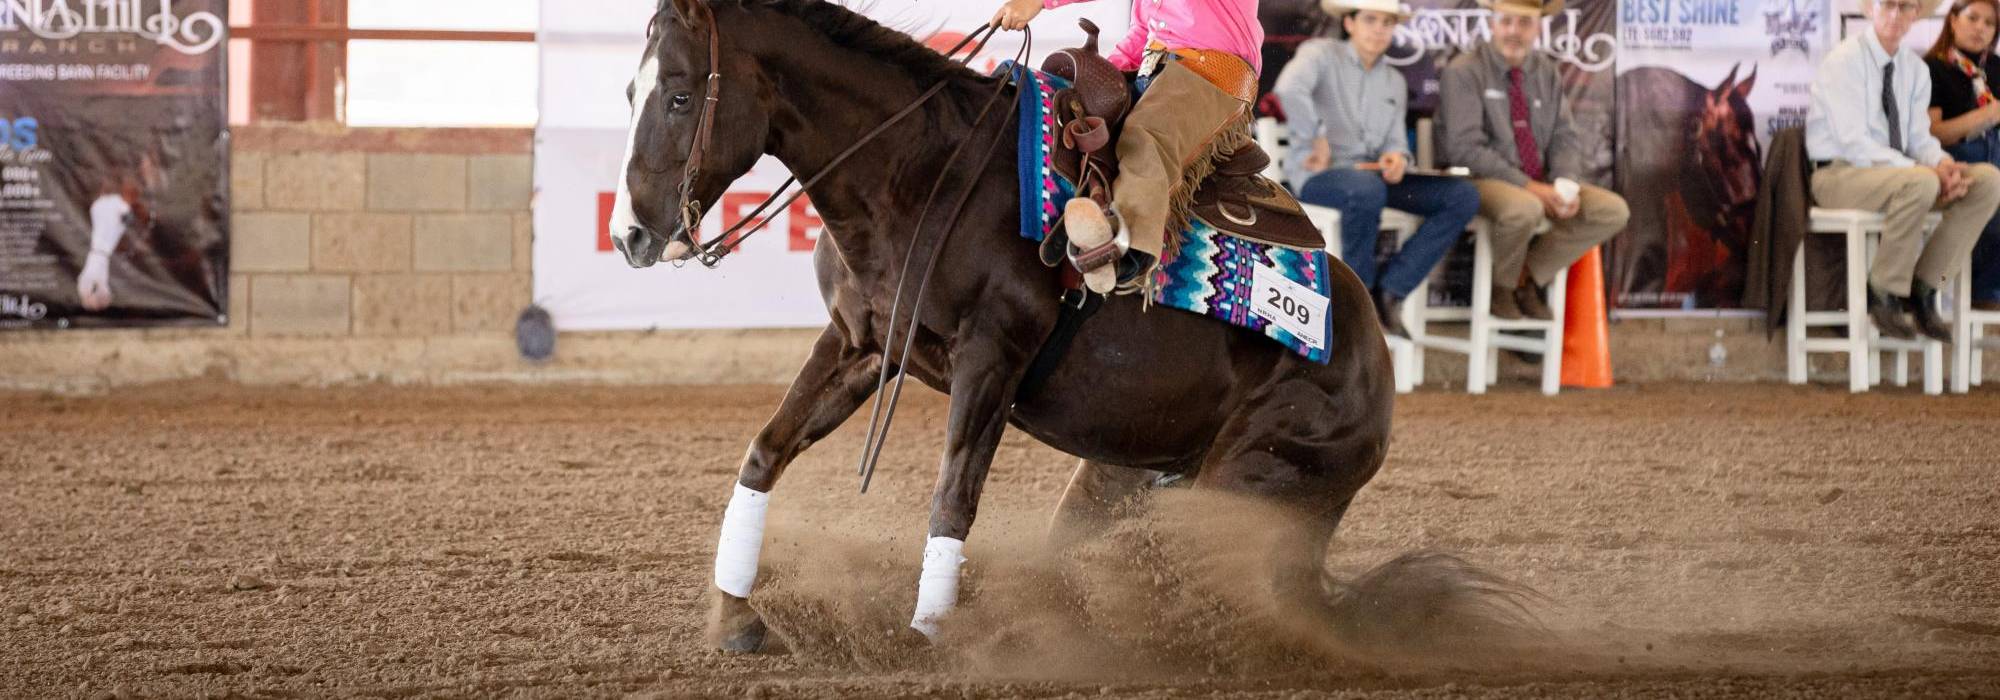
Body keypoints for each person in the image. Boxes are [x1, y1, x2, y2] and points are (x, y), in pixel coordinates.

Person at [992, 0, 1263, 295]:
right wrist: (1103, 76)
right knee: (1080, 118)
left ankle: (1127, 254)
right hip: (1160, 68)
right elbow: (1143, 35)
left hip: (1212, 73)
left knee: (1147, 137)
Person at [1273, 0, 1478, 338]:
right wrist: (1317, 135)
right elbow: (1288, 88)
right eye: (1370, 20)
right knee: (1366, 189)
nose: (1379, 29)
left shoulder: (1394, 80)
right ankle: (1358, 300)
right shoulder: (1320, 53)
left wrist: (1397, 157)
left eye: (1387, 22)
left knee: (1462, 196)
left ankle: (1391, 289)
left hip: (1373, 180)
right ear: (1350, 23)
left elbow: (1395, 141)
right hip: (1320, 177)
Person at [1808, 0, 2000, 341]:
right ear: (1870, 9)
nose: (1896, 15)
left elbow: (1918, 138)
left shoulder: (1914, 69)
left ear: (1916, 15)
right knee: (1921, 182)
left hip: (1900, 178)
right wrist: (1925, 171)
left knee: (1987, 181)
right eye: (1888, 5)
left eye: (1906, 6)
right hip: (1840, 175)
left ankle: (1926, 289)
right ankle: (1883, 292)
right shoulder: (1844, 61)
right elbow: (1854, 142)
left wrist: (1942, 163)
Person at [1435, 0, 1628, 320]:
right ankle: (1502, 288)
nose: (1514, 31)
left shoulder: (1545, 71)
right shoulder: (1464, 71)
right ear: (1493, 23)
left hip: (1540, 180)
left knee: (1612, 211)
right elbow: (1465, 149)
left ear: (1539, 27)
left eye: (1524, 23)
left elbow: (1564, 135)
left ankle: (1527, 277)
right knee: (1525, 207)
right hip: (1481, 180)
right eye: (1507, 21)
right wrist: (1532, 188)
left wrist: (1564, 185)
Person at [1926, 0, 2000, 312]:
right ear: (1953, 20)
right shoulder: (1933, 67)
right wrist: (1986, 116)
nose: (1980, 28)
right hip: (1956, 157)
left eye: (1989, 23)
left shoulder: (1996, 68)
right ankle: (1984, 294)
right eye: (1973, 18)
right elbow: (1932, 133)